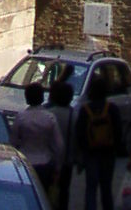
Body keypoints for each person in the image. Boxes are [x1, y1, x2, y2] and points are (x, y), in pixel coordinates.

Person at [77, 70, 125, 210]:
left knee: (91, 188)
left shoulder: (85, 110)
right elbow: (118, 130)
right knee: (106, 188)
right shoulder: (112, 109)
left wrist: (82, 151)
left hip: (91, 153)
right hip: (108, 153)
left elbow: (80, 132)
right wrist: (116, 147)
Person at [13, 81, 64, 199]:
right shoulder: (49, 118)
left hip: (25, 163)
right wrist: (58, 166)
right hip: (45, 164)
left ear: (27, 98)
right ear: (41, 97)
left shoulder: (21, 118)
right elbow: (59, 145)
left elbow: (13, 142)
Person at [48, 76, 76, 210]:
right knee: (64, 191)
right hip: (67, 161)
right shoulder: (73, 115)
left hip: (50, 159)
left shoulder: (49, 114)